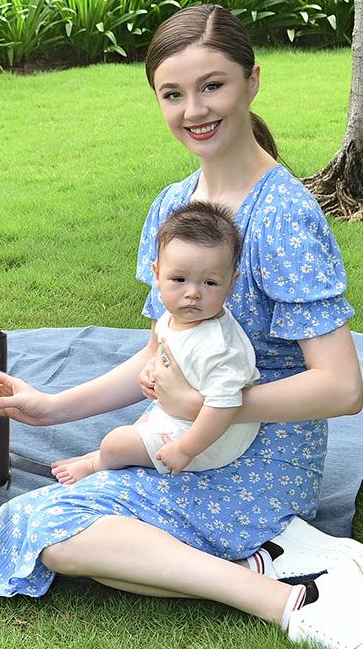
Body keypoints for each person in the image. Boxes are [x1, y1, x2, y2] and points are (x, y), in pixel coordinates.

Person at [0, 5, 363, 649]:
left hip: (262, 465)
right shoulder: (172, 207)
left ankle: (289, 602)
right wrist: (50, 407)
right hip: (181, 441)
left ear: (252, 81)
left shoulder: (281, 215)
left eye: (212, 86)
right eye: (173, 93)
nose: (194, 110)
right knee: (47, 528)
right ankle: (273, 562)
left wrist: (210, 405)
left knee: (41, 527)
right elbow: (156, 355)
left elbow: (342, 388)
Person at [52, 201, 260, 483]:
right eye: (179, 279)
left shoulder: (219, 348)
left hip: (211, 439)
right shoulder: (172, 318)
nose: (193, 293)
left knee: (116, 442)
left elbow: (225, 406)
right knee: (138, 428)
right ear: (157, 275)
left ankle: (96, 463)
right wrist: (151, 371)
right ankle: (102, 455)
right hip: (182, 416)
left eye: (210, 283)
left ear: (231, 283)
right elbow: (165, 352)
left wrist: (185, 449)